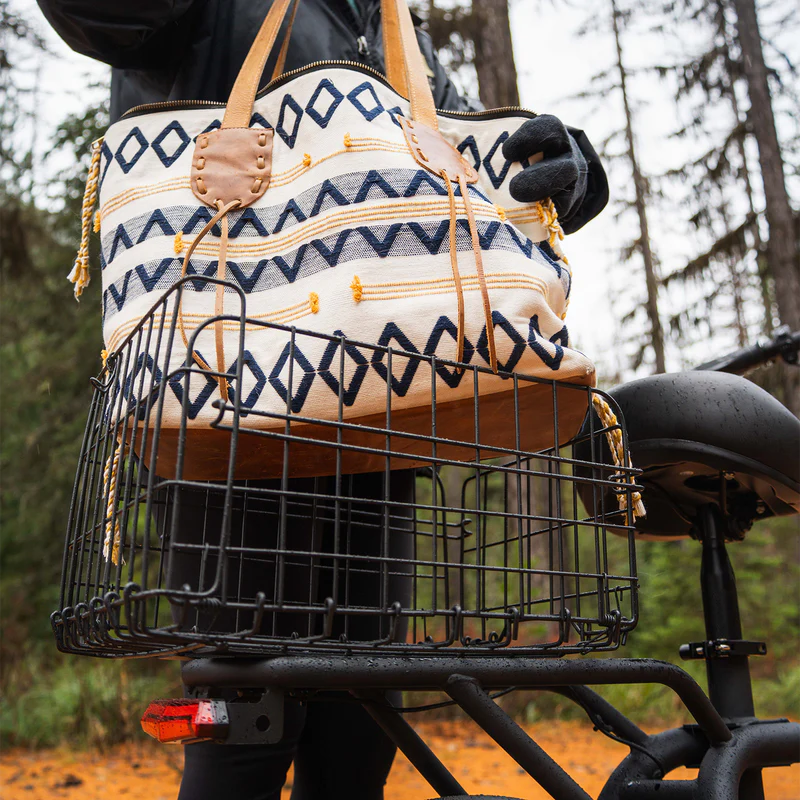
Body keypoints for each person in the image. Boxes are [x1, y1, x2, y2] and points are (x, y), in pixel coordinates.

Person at [38, 2, 610, 798]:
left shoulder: (387, 19)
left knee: (362, 721)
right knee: (245, 718)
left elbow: (457, 188)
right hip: (226, 409)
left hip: (376, 418)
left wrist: (559, 174)